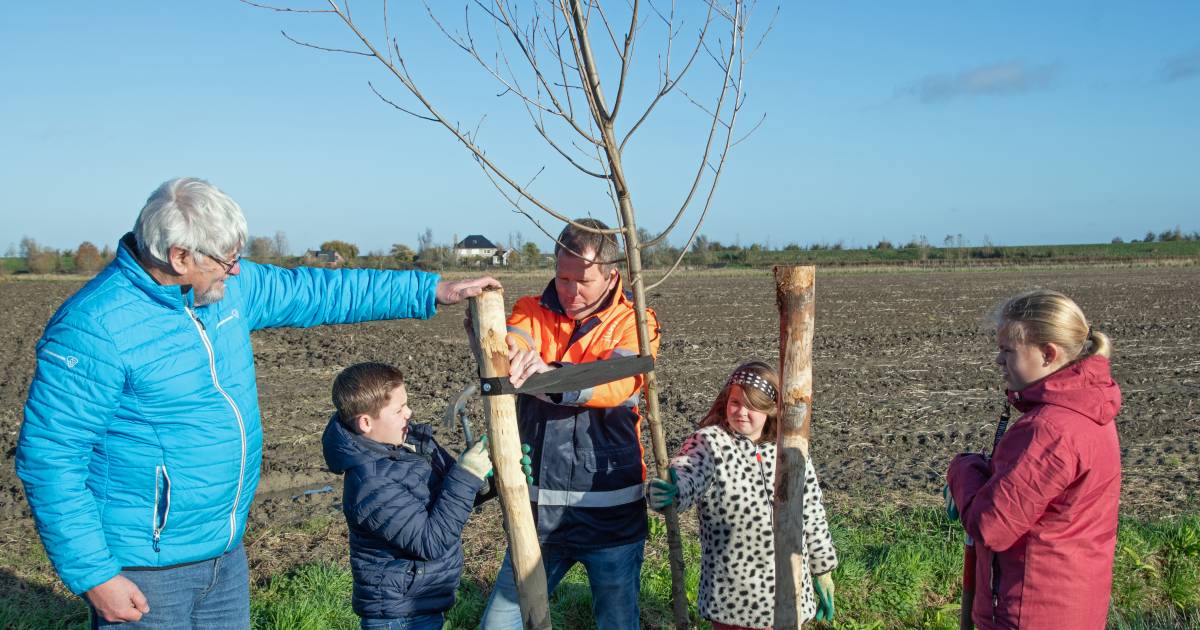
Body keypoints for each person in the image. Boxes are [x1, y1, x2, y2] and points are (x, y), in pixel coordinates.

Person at [14, 177, 499, 628]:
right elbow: (50, 460)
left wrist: (431, 289)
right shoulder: (94, 329)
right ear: (180, 256)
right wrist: (95, 575)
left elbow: (319, 291)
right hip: (147, 566)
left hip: (224, 553)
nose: (237, 269)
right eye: (226, 260)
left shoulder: (226, 291)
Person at [478, 218, 660, 629]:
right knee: (499, 624)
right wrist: (510, 348)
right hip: (536, 516)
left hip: (610, 513)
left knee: (617, 622)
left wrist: (550, 377)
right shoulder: (530, 309)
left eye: (584, 281)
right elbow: (513, 339)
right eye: (562, 278)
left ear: (611, 274)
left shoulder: (637, 322)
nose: (571, 291)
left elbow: (616, 380)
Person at [945, 289, 1121, 629]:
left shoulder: (1048, 430)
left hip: (1029, 612)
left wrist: (963, 469)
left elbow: (991, 526)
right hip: (1074, 606)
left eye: (1007, 350)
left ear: (1047, 353)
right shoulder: (1090, 411)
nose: (998, 360)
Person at [648, 361, 837, 629]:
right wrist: (673, 488)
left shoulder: (790, 448)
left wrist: (823, 569)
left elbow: (812, 512)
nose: (742, 412)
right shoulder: (710, 442)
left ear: (770, 409)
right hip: (735, 601)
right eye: (736, 402)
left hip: (790, 595)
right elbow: (689, 471)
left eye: (753, 405)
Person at [322, 362, 493, 630]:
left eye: (407, 404)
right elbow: (431, 542)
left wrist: (490, 478)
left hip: (423, 603)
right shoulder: (369, 483)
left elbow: (451, 498)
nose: (409, 413)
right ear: (365, 422)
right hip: (398, 617)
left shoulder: (410, 444)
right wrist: (466, 475)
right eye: (399, 409)